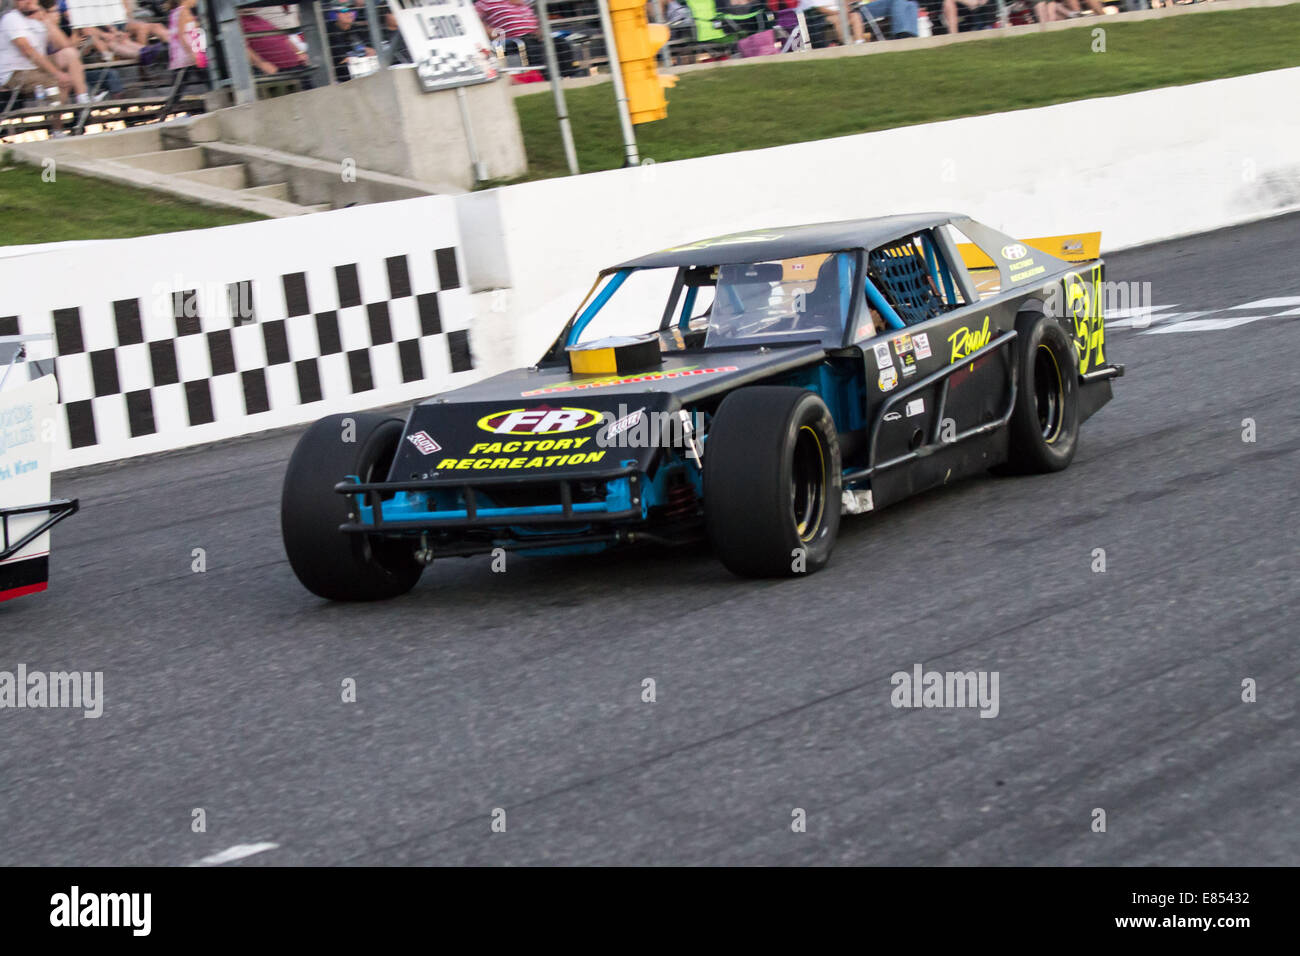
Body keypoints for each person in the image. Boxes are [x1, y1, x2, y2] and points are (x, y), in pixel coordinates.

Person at [0, 0, 94, 124]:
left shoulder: (39, 16)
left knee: (70, 54)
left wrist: (47, 21)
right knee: (59, 82)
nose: (27, 2)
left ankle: (82, 99)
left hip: (36, 66)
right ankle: (57, 129)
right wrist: (57, 73)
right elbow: (28, 51)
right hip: (16, 72)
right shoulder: (11, 19)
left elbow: (64, 45)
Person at [324, 4, 374, 82]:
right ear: (336, 14)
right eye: (344, 11)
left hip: (365, 71)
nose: (349, 14)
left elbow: (372, 52)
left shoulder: (358, 29)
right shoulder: (330, 33)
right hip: (342, 78)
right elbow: (343, 60)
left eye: (351, 10)